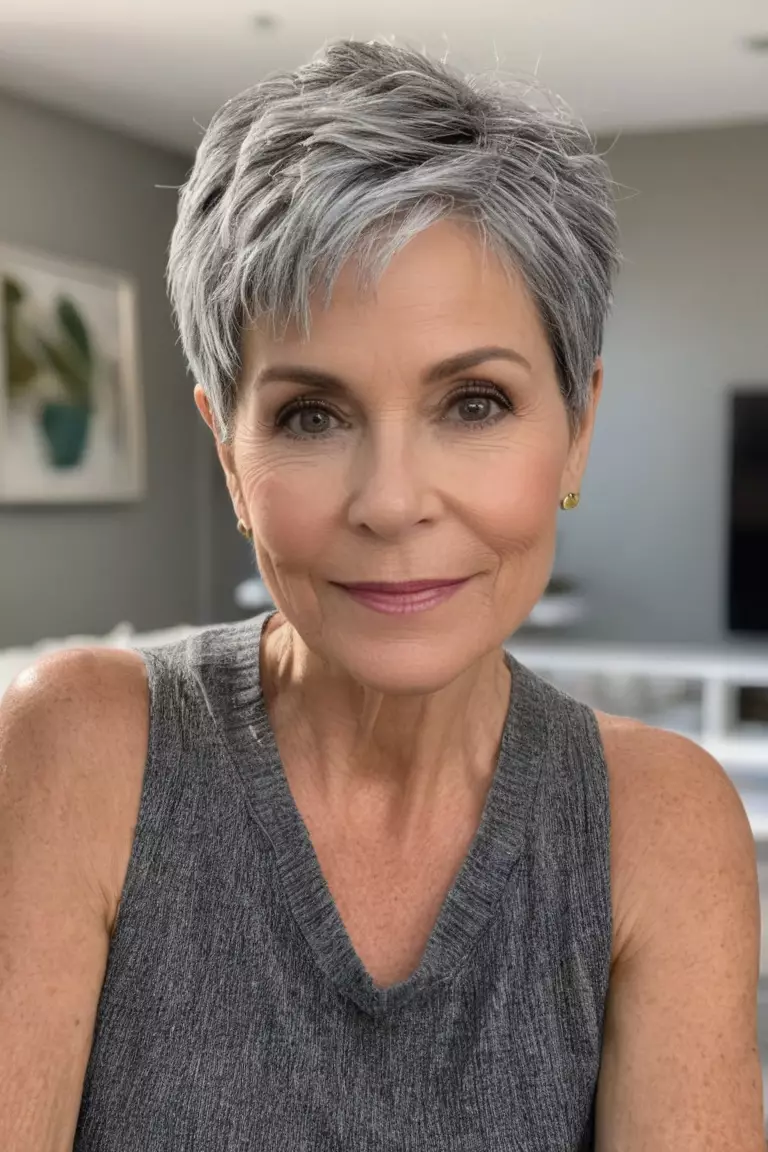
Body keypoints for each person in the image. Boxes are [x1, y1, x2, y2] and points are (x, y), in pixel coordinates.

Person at [0, 37, 763, 1152]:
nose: (394, 503)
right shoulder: (82, 752)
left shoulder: (660, 827)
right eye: (313, 416)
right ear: (228, 455)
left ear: (577, 431)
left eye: (474, 403)